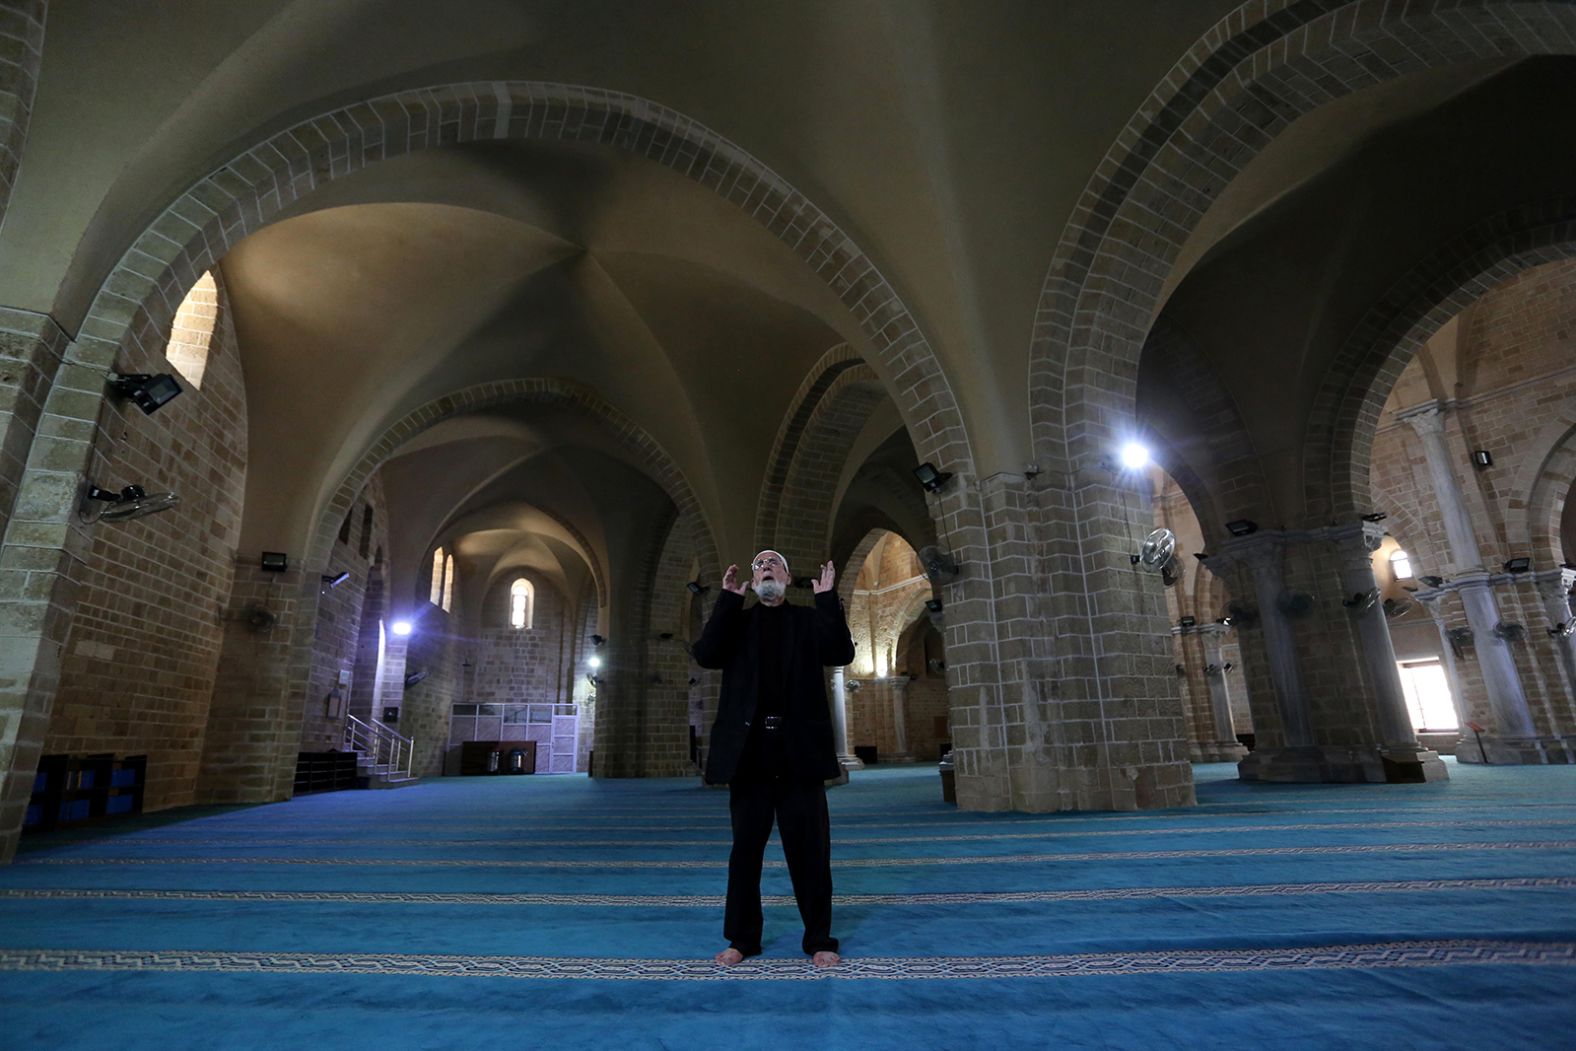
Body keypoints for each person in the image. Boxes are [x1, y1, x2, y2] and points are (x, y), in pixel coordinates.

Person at [692, 549, 855, 968]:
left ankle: (819, 939)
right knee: (745, 853)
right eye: (759, 565)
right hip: (750, 757)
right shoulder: (739, 622)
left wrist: (827, 599)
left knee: (811, 853)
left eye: (774, 564)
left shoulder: (806, 620)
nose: (766, 568)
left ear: (786, 576)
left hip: (798, 752)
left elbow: (840, 652)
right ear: (753, 579)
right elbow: (707, 654)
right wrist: (727, 599)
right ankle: (742, 939)